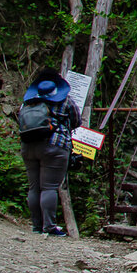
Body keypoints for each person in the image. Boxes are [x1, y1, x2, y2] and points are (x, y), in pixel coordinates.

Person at [19, 67, 81, 236]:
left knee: (34, 187)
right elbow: (76, 120)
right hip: (55, 146)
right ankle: (49, 227)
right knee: (49, 187)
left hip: (28, 145)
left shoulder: (28, 102)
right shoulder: (65, 101)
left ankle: (36, 227)